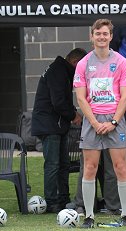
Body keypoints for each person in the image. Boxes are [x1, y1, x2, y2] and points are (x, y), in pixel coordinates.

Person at [73, 19, 126, 228]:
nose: (101, 37)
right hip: (92, 120)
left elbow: (125, 96)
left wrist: (114, 121)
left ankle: (125, 214)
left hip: (115, 121)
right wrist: (94, 122)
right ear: (92, 36)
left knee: (120, 167)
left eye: (105, 33)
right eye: (97, 33)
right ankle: (89, 216)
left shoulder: (122, 62)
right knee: (90, 167)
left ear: (110, 36)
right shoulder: (83, 64)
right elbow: (81, 98)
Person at [31, 48, 87, 213]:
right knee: (53, 164)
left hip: (55, 125)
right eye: (81, 67)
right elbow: (58, 102)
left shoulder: (60, 69)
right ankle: (52, 201)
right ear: (76, 62)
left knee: (63, 164)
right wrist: (74, 115)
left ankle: (63, 199)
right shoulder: (58, 71)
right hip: (49, 125)